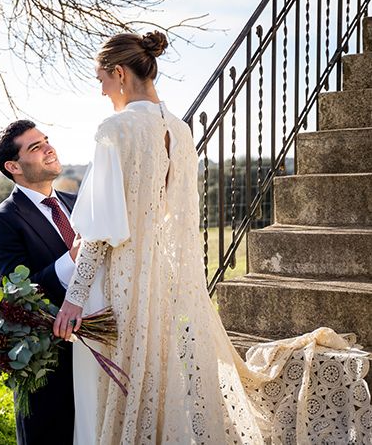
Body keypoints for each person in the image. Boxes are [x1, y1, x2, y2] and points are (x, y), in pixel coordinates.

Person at [52, 32, 372, 444]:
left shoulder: (116, 129)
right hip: (160, 279)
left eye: (102, 80)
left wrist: (74, 297)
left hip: (119, 280)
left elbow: (100, 230)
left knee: (115, 384)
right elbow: (168, 211)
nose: (101, 90)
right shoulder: (179, 131)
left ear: (118, 73)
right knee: (156, 376)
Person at [0, 119, 79, 445]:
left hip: (98, 351)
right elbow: (18, 295)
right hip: (49, 367)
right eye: (35, 147)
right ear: (14, 166)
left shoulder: (78, 204)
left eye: (46, 140)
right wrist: (73, 258)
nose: (49, 148)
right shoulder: (0, 222)